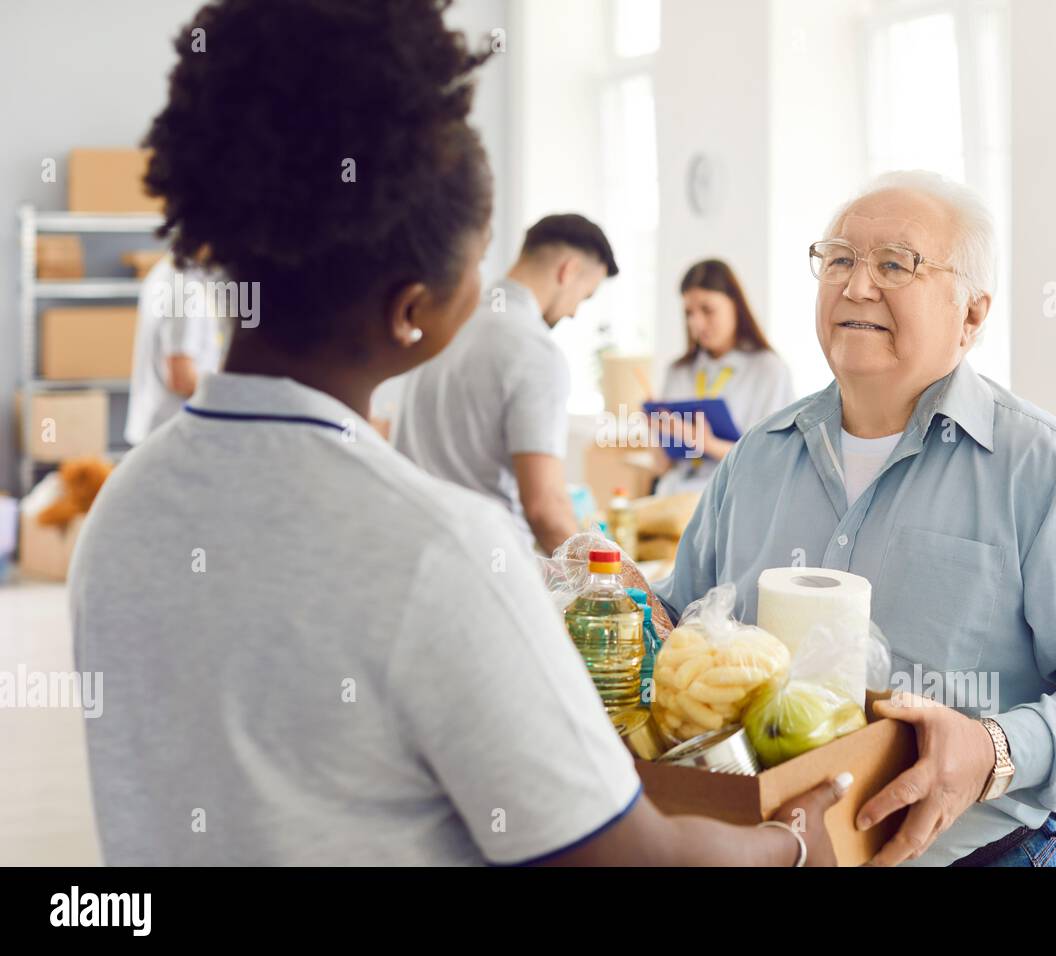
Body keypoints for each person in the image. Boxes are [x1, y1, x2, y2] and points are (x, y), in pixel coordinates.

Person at [70, 0, 846, 868]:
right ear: (412, 309)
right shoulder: (441, 551)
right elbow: (634, 859)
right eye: (478, 261)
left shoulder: (121, 510)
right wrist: (793, 842)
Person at [655, 170, 1056, 867]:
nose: (856, 286)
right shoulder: (757, 456)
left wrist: (994, 750)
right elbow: (680, 619)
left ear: (971, 314)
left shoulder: (1049, 471)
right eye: (839, 258)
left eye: (894, 263)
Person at [392, 214, 617, 554]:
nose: (574, 313)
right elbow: (546, 510)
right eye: (584, 297)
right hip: (488, 564)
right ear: (568, 270)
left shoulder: (446, 322)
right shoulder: (535, 349)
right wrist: (607, 585)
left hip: (417, 550)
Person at [651, 259, 795, 495]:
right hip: (674, 499)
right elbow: (663, 468)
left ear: (735, 306)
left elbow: (771, 463)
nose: (696, 323)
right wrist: (655, 432)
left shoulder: (769, 370)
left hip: (734, 498)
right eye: (689, 313)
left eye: (707, 310)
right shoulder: (677, 371)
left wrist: (707, 444)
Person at [123, 251, 225, 445]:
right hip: (175, 435)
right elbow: (182, 378)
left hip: (159, 431)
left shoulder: (166, 270)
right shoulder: (187, 288)